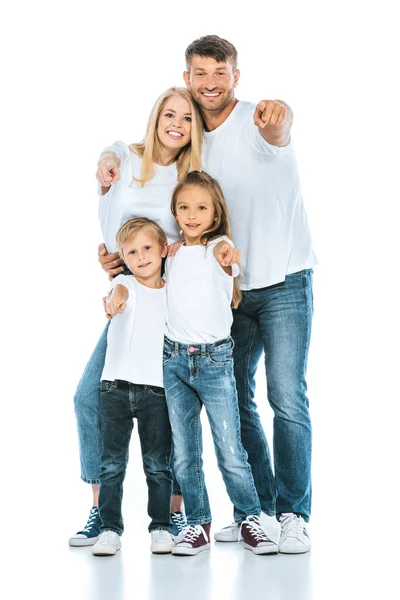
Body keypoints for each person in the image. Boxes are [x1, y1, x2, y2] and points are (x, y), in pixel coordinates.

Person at [183, 35, 317, 554]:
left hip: (285, 280)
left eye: (220, 72)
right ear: (188, 77)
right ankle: (258, 511)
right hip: (231, 292)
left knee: (287, 398)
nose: (210, 83)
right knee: (234, 400)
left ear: (235, 76)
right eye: (201, 73)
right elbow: (147, 163)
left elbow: (279, 127)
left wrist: (280, 119)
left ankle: (294, 513)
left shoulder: (257, 120)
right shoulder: (191, 137)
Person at [69, 87, 203, 547]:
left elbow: (199, 225)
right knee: (89, 397)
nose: (177, 124)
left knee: (176, 408)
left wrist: (181, 250)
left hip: (171, 299)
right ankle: (98, 509)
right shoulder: (126, 157)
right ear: (156, 116)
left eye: (187, 119)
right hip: (126, 291)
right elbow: (107, 180)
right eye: (170, 114)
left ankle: (176, 514)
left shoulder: (192, 173)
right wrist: (104, 162)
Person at [163, 170, 278, 556]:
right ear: (175, 212)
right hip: (174, 359)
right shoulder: (172, 252)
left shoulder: (218, 247)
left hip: (214, 361)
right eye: (183, 207)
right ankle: (197, 523)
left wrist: (230, 254)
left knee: (230, 447)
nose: (191, 215)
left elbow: (229, 257)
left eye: (200, 208)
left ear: (214, 214)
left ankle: (250, 517)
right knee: (184, 451)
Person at [91, 218, 174, 556]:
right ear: (124, 258)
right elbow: (119, 292)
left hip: (156, 391)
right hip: (114, 388)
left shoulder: (173, 290)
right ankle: (110, 528)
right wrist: (114, 301)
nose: (141, 256)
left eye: (147, 248)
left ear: (164, 250)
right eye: (132, 252)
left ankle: (161, 527)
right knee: (112, 464)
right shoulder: (126, 282)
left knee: (157, 464)